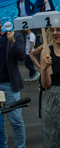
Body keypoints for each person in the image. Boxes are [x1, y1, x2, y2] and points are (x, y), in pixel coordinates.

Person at [0, 20, 26, 148]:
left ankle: (20, 146)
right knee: (0, 123)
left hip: (10, 84)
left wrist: (12, 42)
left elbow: (22, 57)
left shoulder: (16, 35)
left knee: (15, 120)